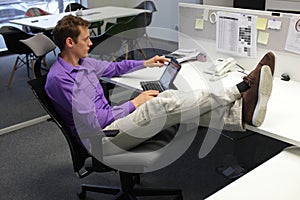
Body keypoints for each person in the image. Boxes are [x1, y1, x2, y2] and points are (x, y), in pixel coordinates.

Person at [45, 15, 275, 151]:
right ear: (69, 42)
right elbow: (95, 121)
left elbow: (115, 68)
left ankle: (241, 111)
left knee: (178, 106)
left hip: (113, 119)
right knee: (164, 103)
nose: (91, 43)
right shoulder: (60, 80)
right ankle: (239, 91)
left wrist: (146, 62)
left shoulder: (83, 63)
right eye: (85, 39)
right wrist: (135, 103)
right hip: (101, 138)